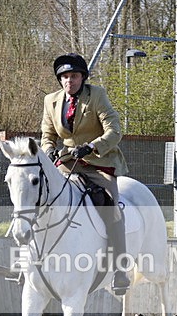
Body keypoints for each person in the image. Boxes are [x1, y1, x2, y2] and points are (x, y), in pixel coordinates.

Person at [40, 53, 131, 295]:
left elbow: (114, 131)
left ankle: (120, 270)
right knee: (39, 197)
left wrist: (91, 146)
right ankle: (26, 264)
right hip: (67, 162)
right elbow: (48, 135)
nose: (69, 81)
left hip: (98, 162)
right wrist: (48, 151)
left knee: (112, 210)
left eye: (74, 76)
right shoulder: (51, 100)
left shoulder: (97, 95)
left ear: (82, 78)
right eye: (65, 77)